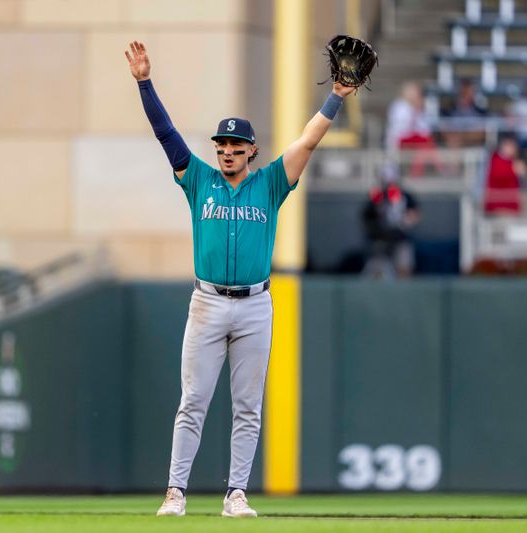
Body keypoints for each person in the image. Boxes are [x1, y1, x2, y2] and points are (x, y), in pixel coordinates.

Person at [126, 40, 357, 517]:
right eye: (222, 145)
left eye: (235, 145)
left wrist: (335, 97)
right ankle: (175, 492)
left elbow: (307, 142)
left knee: (247, 406)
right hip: (207, 301)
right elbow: (164, 133)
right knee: (193, 400)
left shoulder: (271, 182)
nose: (227, 151)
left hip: (255, 304)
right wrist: (145, 82)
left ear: (251, 149)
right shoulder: (199, 180)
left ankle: (236, 495)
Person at [361, 167, 421, 279]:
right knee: (377, 269)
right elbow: (367, 215)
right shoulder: (378, 196)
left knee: (404, 267)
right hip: (381, 239)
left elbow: (415, 213)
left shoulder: (405, 196)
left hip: (400, 237)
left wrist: (406, 221)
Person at [483, 136, 525, 216]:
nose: (514, 149)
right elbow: (498, 176)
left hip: (511, 206)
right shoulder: (495, 160)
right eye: (511, 146)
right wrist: (513, 170)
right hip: (499, 206)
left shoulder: (513, 161)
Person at [440, 78, 488, 148]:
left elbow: (481, 133)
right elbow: (443, 129)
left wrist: (462, 139)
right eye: (464, 91)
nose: (466, 94)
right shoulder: (448, 111)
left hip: (472, 147)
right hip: (453, 147)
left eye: (469, 91)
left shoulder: (480, 112)